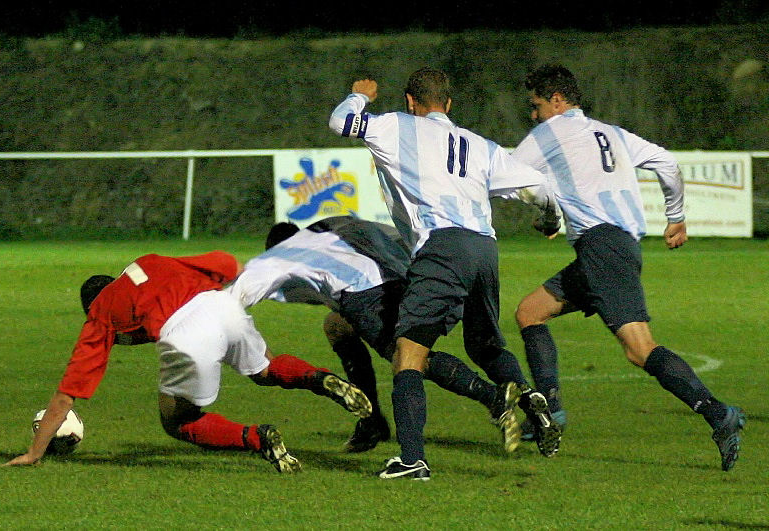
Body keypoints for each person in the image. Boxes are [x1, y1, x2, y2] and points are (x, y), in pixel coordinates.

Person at [329, 67, 563, 480]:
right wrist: (550, 219)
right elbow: (541, 187)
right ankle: (530, 400)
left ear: (409, 102)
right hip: (484, 250)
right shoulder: (478, 145)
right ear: (449, 104)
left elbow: (342, 122)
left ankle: (412, 459)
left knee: (408, 353)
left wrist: (359, 95)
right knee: (485, 346)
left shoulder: (395, 126)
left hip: (441, 246)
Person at [510, 64, 745, 471]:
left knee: (639, 350)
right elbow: (667, 164)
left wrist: (547, 217)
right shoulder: (612, 133)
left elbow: (513, 179)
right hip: (614, 247)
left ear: (557, 100)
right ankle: (551, 412)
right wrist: (676, 216)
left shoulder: (548, 135)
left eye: (536, 106)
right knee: (529, 312)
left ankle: (717, 413)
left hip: (602, 249)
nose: (533, 116)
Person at [4, 251, 372, 472]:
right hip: (221, 304)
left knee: (177, 420)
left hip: (184, 330)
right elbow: (225, 263)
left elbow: (69, 392)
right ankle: (322, 379)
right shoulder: (150, 263)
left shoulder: (101, 310)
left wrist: (34, 452)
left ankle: (258, 439)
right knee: (265, 368)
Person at [235, 215, 529, 454]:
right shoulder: (331, 227)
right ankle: (371, 420)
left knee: (409, 359)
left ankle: (491, 396)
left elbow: (239, 292)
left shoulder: (283, 257)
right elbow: (392, 234)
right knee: (336, 326)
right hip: (401, 278)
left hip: (366, 293)